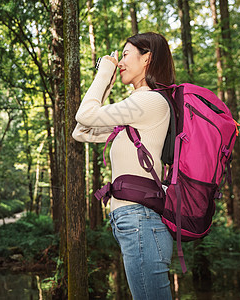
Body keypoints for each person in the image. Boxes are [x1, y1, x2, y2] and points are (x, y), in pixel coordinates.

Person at [72, 32, 176, 299]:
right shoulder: (136, 109)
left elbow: (85, 113)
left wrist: (104, 72)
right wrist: (106, 83)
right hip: (135, 220)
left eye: (126, 54)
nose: (120, 62)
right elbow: (81, 131)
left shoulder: (149, 101)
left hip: (141, 219)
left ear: (147, 59)